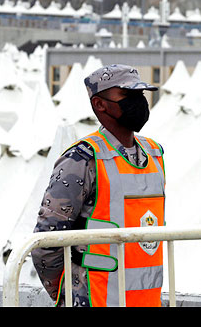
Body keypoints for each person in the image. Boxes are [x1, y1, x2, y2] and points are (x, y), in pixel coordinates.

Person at [32, 64, 166, 307]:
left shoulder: (155, 155)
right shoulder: (82, 159)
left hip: (147, 301)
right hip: (95, 300)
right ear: (99, 104)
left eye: (140, 95)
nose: (139, 102)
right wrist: (70, 293)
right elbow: (46, 243)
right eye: (128, 96)